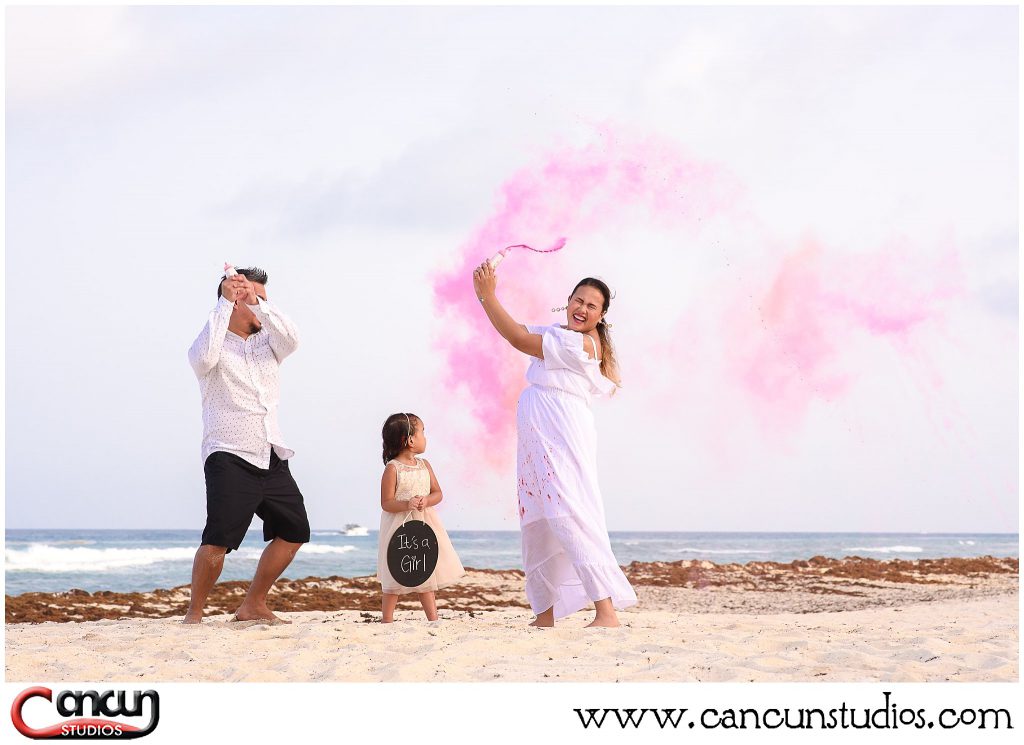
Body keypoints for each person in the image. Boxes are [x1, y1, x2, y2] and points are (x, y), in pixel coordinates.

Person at [472, 262, 637, 627]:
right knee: (538, 516)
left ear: (602, 315)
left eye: (592, 305)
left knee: (568, 511)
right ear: (567, 302)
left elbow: (516, 338)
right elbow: (515, 330)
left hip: (563, 430)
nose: (583, 308)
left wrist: (487, 295)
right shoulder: (557, 333)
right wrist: (488, 300)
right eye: (578, 300)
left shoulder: (579, 344)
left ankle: (605, 611)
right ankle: (545, 613)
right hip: (538, 433)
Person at [183, 267, 310, 624]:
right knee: (219, 538)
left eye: (264, 300)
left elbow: (293, 338)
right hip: (229, 453)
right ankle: (194, 614)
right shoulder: (211, 346)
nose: (262, 307)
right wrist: (225, 302)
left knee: (295, 530)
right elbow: (203, 358)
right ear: (234, 302)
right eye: (254, 300)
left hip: (271, 450)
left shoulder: (269, 344)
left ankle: (253, 604)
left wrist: (259, 304)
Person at [378, 412, 465, 623]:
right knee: (395, 571)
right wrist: (406, 504)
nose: (425, 437)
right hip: (399, 528)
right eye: (422, 432)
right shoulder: (392, 469)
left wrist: (426, 500)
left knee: (424, 570)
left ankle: (432, 619)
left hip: (424, 526)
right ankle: (387, 619)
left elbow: (438, 493)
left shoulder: (425, 465)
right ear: (409, 440)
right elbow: (386, 502)